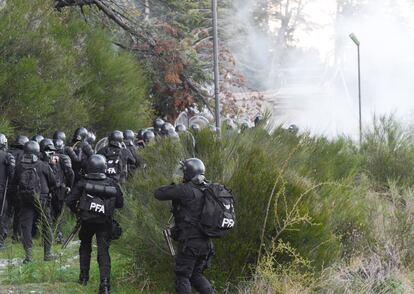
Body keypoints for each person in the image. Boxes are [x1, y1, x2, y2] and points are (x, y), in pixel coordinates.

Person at [154, 158, 215, 294]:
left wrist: (175, 183)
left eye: (183, 172)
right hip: (206, 242)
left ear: (188, 173)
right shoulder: (208, 188)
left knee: (183, 277)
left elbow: (158, 193)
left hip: (190, 243)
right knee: (196, 276)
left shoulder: (185, 190)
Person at [66, 154, 123, 294]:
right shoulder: (111, 182)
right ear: (104, 167)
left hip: (86, 221)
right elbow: (120, 204)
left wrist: (79, 211)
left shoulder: (82, 182)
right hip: (105, 222)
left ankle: (83, 278)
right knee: (104, 251)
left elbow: (69, 201)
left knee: (85, 246)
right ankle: (104, 284)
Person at [13, 141, 57, 263]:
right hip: (42, 199)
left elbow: (14, 182)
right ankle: (47, 254)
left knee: (26, 227)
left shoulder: (19, 166)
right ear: (38, 152)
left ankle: (29, 257)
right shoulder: (43, 165)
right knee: (46, 225)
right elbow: (53, 182)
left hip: (25, 200)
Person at [39, 138, 74, 243]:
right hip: (60, 189)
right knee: (58, 214)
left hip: (47, 190)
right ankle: (58, 235)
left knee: (47, 214)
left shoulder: (40, 158)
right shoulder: (63, 158)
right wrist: (69, 186)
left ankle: (47, 238)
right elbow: (71, 173)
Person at [6, 135, 29, 242]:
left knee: (7, 212)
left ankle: (3, 234)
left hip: (7, 186)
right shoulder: (24, 155)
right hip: (18, 187)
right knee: (19, 213)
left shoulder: (9, 153)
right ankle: (16, 235)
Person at [0, 134, 15, 249]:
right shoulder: (7, 156)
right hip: (2, 190)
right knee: (3, 214)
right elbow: (12, 173)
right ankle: (0, 240)